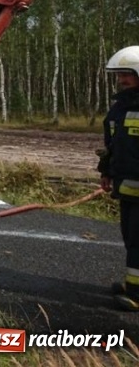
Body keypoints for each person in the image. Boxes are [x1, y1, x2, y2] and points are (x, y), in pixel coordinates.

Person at [98, 46, 139, 311]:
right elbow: (113, 145)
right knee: (131, 237)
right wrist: (106, 171)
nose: (122, 80)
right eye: (120, 75)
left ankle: (136, 294)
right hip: (127, 190)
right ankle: (133, 284)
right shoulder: (120, 108)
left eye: (128, 75)